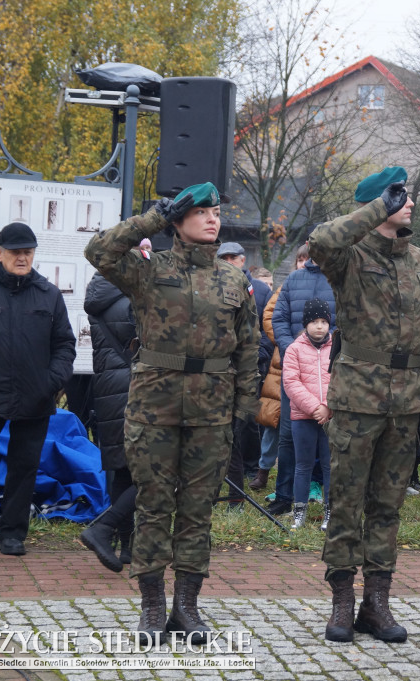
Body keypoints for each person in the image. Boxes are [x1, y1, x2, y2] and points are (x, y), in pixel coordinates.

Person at [84, 182, 261, 645]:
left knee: (197, 513)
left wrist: (243, 409)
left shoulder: (233, 279)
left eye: (216, 211)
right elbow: (98, 251)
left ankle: (187, 606)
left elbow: (248, 349)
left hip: (212, 413)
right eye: (200, 211)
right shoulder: (147, 270)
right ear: (178, 221)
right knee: (153, 508)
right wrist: (153, 218)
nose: (212, 219)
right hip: (154, 410)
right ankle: (152, 607)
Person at [311, 167, 420, 644]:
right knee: (347, 502)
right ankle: (342, 601)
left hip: (407, 401)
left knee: (387, 507)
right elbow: (320, 241)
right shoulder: (350, 256)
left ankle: (377, 602)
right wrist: (374, 211)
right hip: (357, 399)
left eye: (405, 196)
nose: (408, 203)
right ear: (376, 204)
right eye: (397, 197)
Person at [0, 222, 75, 556]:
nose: (23, 258)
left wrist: (50, 383)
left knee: (24, 469)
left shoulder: (48, 294)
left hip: (33, 397)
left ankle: (11, 533)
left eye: (28, 252)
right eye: (16, 252)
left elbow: (65, 344)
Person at [79, 261, 141, 572]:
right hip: (135, 388)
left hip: (108, 388)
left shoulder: (101, 293)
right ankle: (104, 530)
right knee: (152, 471)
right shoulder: (130, 299)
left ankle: (126, 546)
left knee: (123, 469)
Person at [270, 238, 337, 517]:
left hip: (330, 371)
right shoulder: (293, 278)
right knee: (287, 437)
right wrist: (292, 350)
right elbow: (279, 319)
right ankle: (285, 496)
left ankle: (329, 501)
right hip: (296, 371)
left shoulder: (339, 278)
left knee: (330, 442)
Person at [217, 242, 272, 502]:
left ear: (243, 260)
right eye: (224, 257)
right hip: (218, 371)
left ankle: (251, 470)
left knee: (247, 425)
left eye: (233, 257)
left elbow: (265, 328)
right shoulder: (213, 285)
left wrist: (259, 357)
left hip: (251, 369)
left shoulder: (260, 290)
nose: (229, 261)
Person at [252, 245, 309, 493]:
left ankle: (300, 477)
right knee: (273, 420)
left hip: (313, 364)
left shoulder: (324, 284)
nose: (304, 263)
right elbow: (269, 317)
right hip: (282, 361)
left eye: (308, 259)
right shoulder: (287, 286)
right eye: (300, 259)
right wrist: (289, 344)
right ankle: (263, 470)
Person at [281, 299, 333, 530]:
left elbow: (342, 379)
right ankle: (299, 510)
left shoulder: (338, 347)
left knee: (331, 465)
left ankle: (330, 511)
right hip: (303, 417)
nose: (320, 327)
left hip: (331, 417)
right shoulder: (294, 349)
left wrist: (328, 406)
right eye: (314, 322)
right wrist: (315, 407)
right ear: (306, 324)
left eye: (324, 322)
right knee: (302, 465)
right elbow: (291, 383)